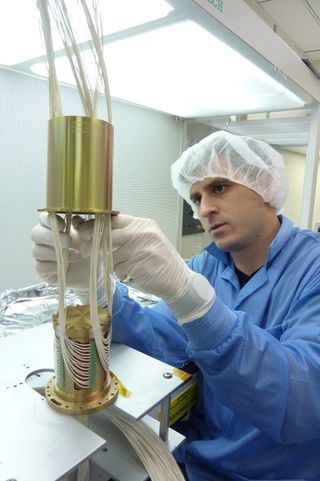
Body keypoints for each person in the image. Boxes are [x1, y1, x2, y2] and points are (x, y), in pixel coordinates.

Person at [32, 131, 320, 481]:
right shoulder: (207, 267)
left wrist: (193, 302)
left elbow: (303, 403)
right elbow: (159, 342)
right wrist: (96, 288)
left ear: (264, 185)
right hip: (195, 461)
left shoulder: (312, 267)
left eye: (218, 188)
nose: (204, 209)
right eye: (196, 197)